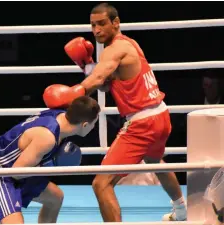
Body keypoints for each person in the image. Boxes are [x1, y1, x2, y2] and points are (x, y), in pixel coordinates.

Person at [43, 3, 187, 222]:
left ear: (115, 22)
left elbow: (99, 79)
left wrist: (73, 94)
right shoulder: (130, 44)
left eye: (102, 24)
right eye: (93, 25)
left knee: (101, 183)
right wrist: (87, 65)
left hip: (142, 122)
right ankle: (181, 210)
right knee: (155, 161)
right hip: (160, 115)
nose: (96, 30)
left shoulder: (115, 49)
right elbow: (107, 84)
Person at [0, 94, 100, 224]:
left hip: (17, 168)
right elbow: (16, 173)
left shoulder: (59, 114)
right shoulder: (47, 138)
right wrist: (50, 164)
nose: (94, 127)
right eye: (94, 123)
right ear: (85, 125)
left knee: (55, 198)